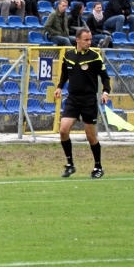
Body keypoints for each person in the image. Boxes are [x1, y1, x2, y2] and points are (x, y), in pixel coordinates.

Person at [54, 28, 111, 179]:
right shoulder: (68, 55)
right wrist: (59, 86)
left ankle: (98, 166)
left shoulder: (95, 57)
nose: (89, 42)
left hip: (88, 100)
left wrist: (106, 91)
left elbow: (105, 77)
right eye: (86, 39)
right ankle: (70, 164)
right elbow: (65, 73)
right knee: (63, 131)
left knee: (90, 136)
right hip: (73, 99)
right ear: (77, 40)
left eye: (90, 39)